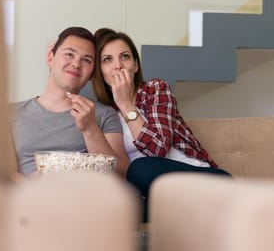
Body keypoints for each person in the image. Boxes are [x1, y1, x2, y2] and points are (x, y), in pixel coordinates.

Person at [92, 28, 231, 218]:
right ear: (100, 71)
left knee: (139, 168)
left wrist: (125, 104)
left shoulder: (155, 89)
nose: (118, 65)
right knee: (117, 203)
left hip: (205, 180)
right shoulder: (105, 114)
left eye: (125, 57)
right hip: (154, 195)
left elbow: (158, 149)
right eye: (107, 60)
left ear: (136, 65)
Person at [10, 27, 129, 180]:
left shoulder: (104, 115)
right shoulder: (11, 112)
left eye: (86, 60)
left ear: (92, 74)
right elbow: (4, 172)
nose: (76, 64)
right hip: (26, 198)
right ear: (50, 58)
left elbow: (121, 174)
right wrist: (32, 188)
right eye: (69, 54)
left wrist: (90, 128)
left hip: (83, 199)